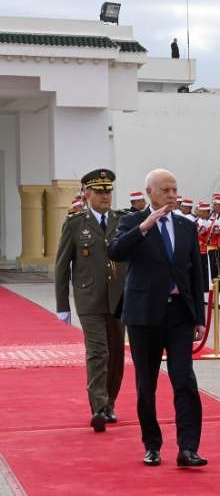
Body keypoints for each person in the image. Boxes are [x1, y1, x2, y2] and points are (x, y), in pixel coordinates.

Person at [108, 168, 207, 468]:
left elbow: (196, 272)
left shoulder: (186, 226)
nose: (173, 196)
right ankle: (152, 444)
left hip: (179, 314)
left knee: (184, 380)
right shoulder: (131, 221)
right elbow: (115, 251)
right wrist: (145, 227)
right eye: (166, 190)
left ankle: (187, 448)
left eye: (175, 190)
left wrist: (199, 317)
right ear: (150, 192)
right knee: (146, 384)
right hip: (144, 314)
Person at [55, 168, 127, 433]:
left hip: (119, 298)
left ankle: (110, 403)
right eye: (99, 191)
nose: (105, 196)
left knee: (117, 355)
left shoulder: (122, 221)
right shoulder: (75, 223)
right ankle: (98, 406)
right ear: (87, 194)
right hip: (89, 298)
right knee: (99, 353)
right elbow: (62, 266)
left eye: (108, 191)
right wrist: (62, 305)